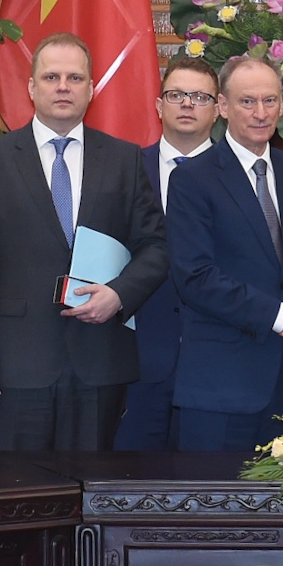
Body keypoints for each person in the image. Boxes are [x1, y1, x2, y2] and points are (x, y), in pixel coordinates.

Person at [0, 33, 168, 450]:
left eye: (74, 77)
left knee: (91, 497)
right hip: (15, 367)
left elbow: (155, 247)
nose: (63, 86)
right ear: (32, 88)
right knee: (19, 496)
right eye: (51, 77)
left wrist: (119, 295)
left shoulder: (125, 159)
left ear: (91, 88)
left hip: (101, 360)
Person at [167, 56, 283, 451]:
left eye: (270, 101)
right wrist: (281, 317)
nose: (260, 113)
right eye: (247, 102)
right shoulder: (191, 178)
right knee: (218, 510)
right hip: (221, 391)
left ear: (282, 106)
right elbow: (196, 278)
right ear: (222, 107)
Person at [114, 56, 219, 451]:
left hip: (217, 368)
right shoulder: (122, 170)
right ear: (158, 106)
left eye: (199, 96)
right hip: (138, 367)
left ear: (218, 108)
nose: (187, 104)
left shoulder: (240, 175)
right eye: (176, 95)